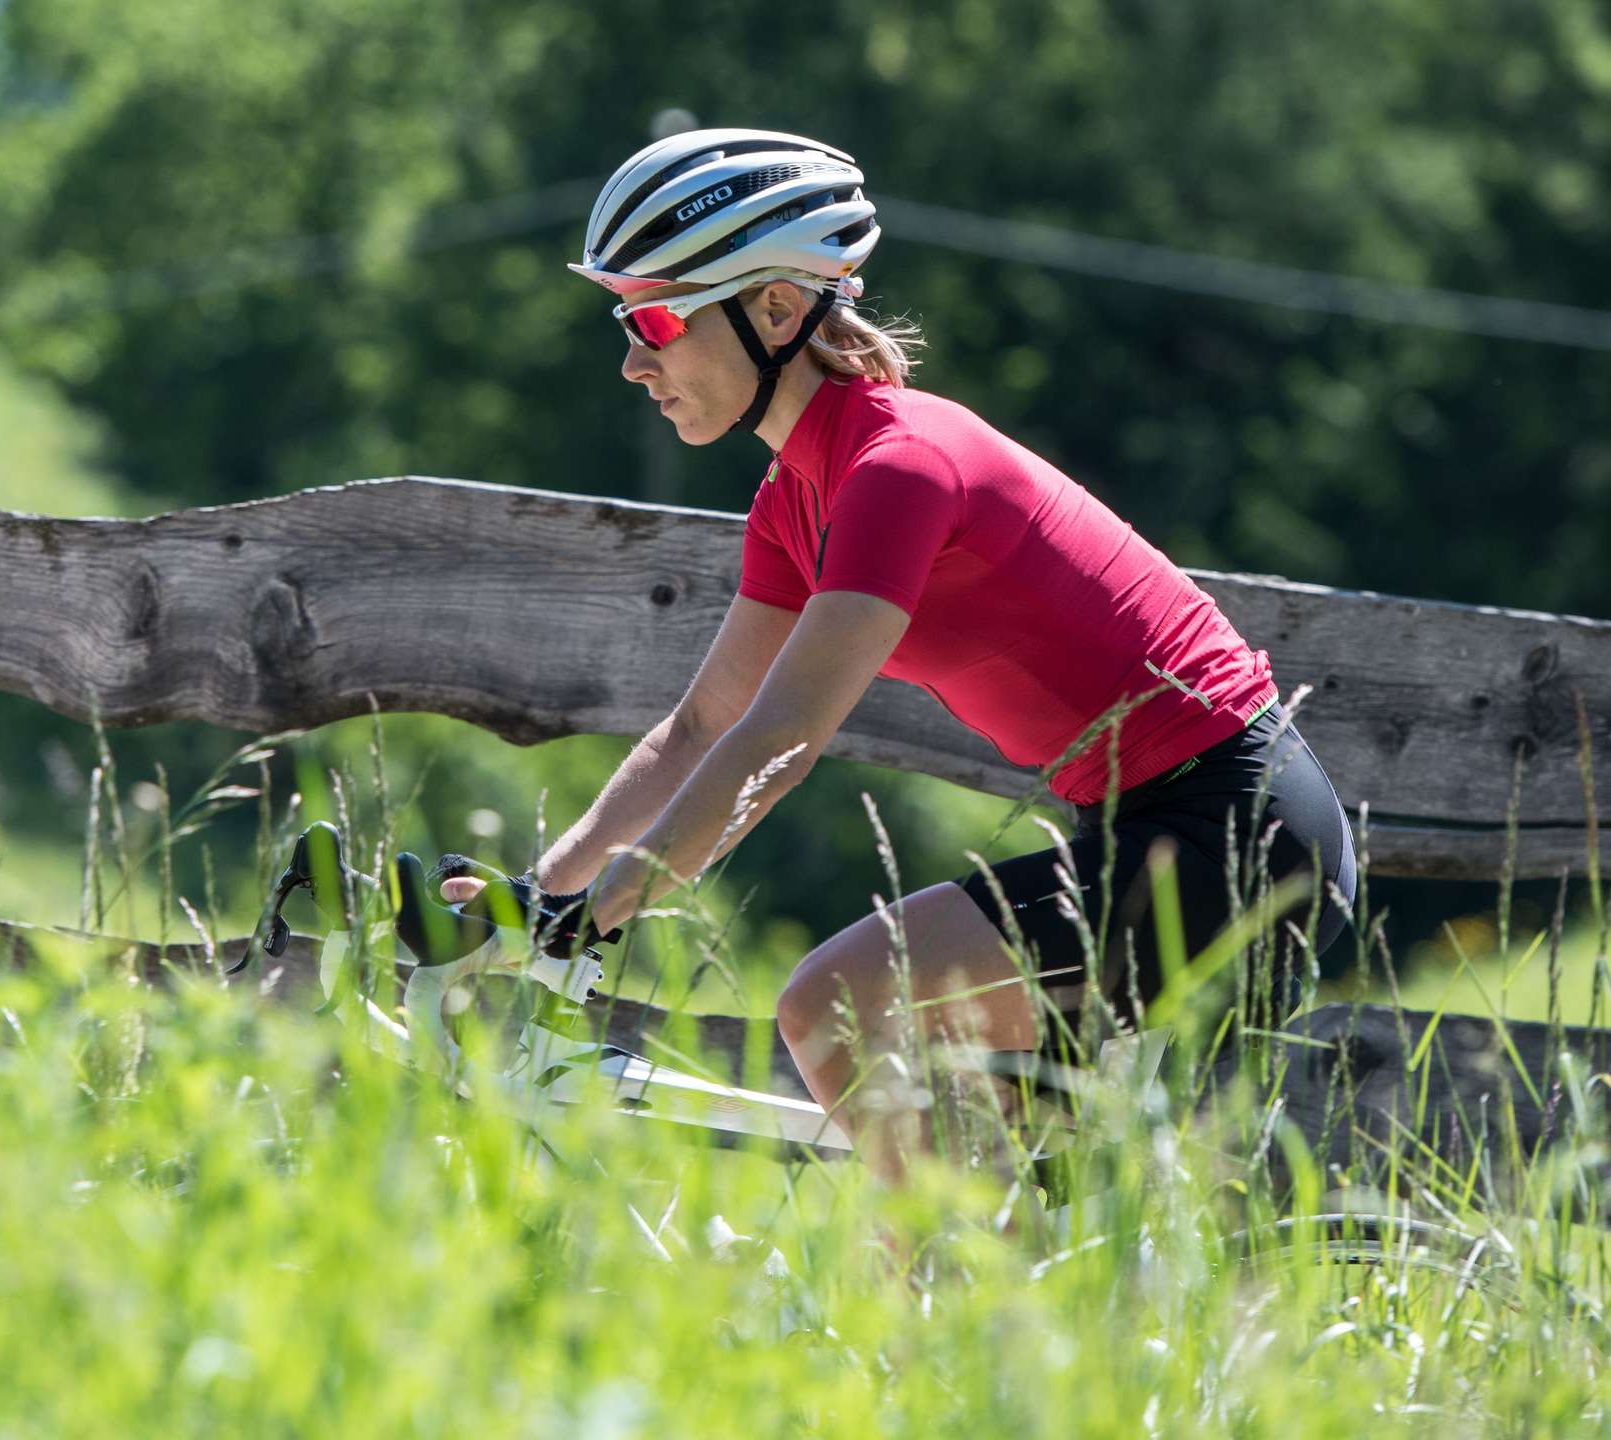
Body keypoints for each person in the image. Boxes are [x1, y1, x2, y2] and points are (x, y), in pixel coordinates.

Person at [440, 127, 1358, 1183]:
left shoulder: (899, 468)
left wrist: (602, 913)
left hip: (1233, 835)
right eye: (625, 319)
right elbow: (699, 729)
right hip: (1145, 830)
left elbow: (783, 738)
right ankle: (1011, 1313)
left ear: (778, 311)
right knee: (977, 1168)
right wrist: (539, 893)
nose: (633, 359)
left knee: (835, 1003)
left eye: (655, 317)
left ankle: (984, 1317)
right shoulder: (795, 499)